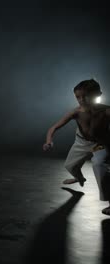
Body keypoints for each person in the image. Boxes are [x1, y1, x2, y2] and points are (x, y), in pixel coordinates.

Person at [43, 79, 110, 215]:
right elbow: (53, 127)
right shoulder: (76, 112)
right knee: (70, 166)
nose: (81, 100)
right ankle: (79, 178)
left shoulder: (106, 111)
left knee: (98, 165)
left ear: (97, 94)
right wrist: (49, 141)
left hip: (100, 144)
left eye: (85, 96)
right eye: (78, 97)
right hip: (81, 143)